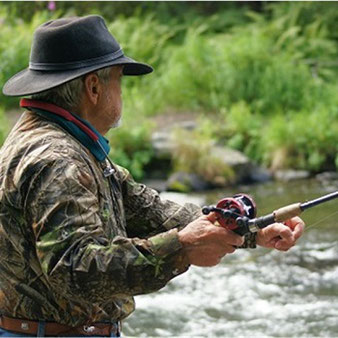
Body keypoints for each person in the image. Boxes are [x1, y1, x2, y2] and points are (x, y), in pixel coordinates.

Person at [0, 15, 304, 337]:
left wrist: (250, 230)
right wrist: (182, 248)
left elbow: (149, 211)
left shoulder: (58, 141)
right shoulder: (59, 160)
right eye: (119, 79)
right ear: (93, 87)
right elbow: (77, 270)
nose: (121, 92)